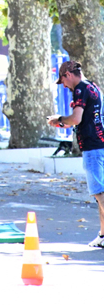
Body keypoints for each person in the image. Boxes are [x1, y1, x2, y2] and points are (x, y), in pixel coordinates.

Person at [48, 61, 104, 248]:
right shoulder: (93, 87)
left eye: (62, 81)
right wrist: (63, 123)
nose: (64, 85)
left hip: (92, 146)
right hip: (100, 142)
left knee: (99, 192)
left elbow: (76, 118)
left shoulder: (80, 89)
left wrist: (59, 119)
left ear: (68, 75)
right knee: (100, 194)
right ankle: (103, 235)